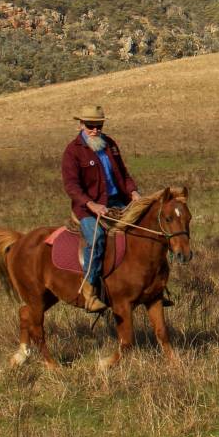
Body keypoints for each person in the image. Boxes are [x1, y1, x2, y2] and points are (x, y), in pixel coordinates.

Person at [61, 105, 140, 312]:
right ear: (81, 124)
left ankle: (150, 285)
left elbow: (123, 174)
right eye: (90, 125)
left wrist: (133, 192)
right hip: (87, 208)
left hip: (118, 202)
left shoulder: (110, 144)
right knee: (96, 239)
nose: (95, 129)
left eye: (98, 125)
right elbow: (71, 186)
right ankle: (90, 291)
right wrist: (91, 204)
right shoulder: (73, 151)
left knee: (145, 230)